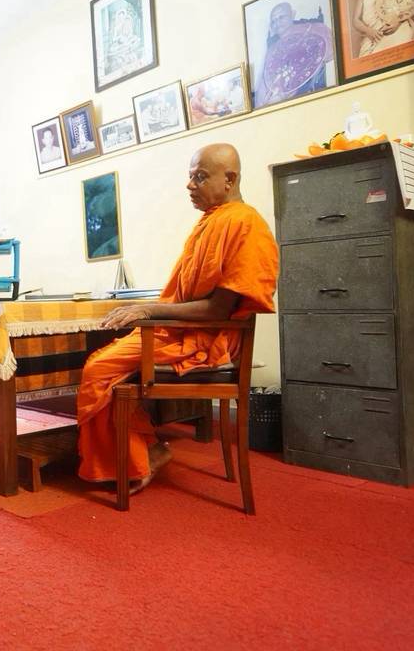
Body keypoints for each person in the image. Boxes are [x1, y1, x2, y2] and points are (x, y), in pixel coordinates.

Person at [76, 143, 279, 494]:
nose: (189, 185)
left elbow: (217, 311)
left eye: (200, 177)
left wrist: (150, 310)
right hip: (183, 330)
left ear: (229, 179)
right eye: (190, 177)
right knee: (106, 365)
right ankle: (141, 452)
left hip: (206, 338)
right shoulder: (213, 220)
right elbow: (186, 294)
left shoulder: (245, 224)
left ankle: (142, 456)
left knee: (98, 369)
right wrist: (149, 308)